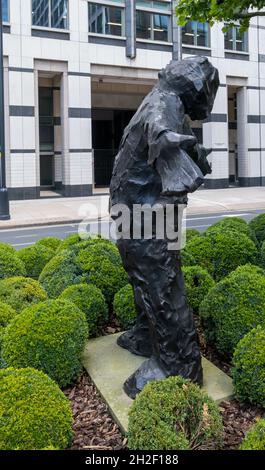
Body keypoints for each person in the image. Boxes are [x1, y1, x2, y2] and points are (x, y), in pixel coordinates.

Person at [109, 56, 219, 399]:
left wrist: (177, 146)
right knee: (145, 279)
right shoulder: (163, 101)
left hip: (149, 219)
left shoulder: (163, 104)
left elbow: (164, 135)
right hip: (137, 217)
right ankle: (148, 334)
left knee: (160, 282)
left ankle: (179, 364)